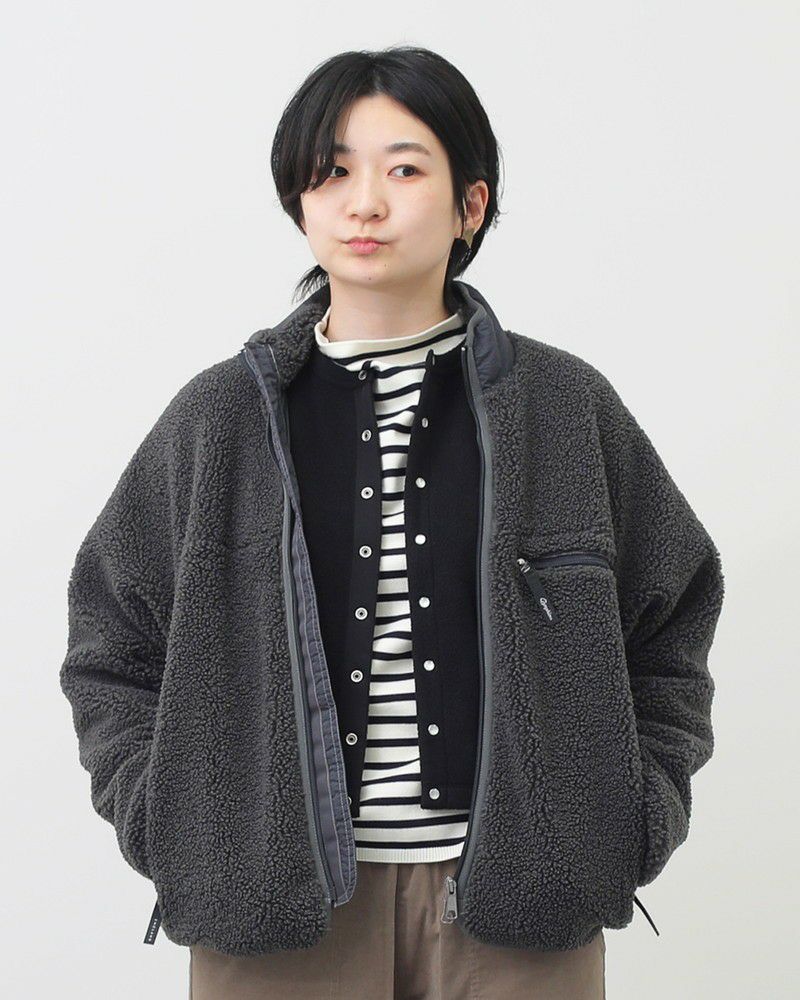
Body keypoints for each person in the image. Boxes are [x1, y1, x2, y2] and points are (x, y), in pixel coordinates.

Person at [60, 45, 725, 1000]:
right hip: (272, 918)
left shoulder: (563, 407)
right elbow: (111, 640)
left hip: (523, 916)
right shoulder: (223, 418)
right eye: (332, 173)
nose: (363, 203)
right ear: (300, 202)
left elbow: (673, 616)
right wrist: (171, 823)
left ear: (471, 205)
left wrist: (627, 818)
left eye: (404, 170)